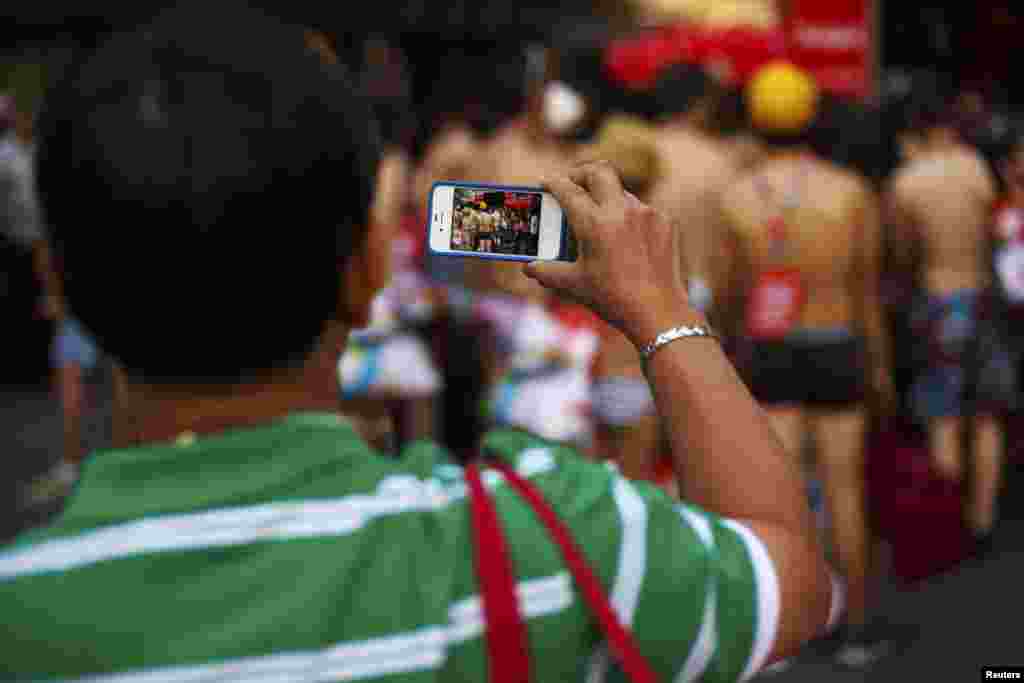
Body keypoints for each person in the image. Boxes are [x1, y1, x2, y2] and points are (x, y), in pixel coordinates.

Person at [0, 7, 835, 680]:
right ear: (368, 270)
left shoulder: (21, 615)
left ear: (55, 282)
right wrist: (661, 311)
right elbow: (789, 573)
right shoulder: (553, 539)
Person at [715, 61, 891, 668]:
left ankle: (782, 633)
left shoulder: (734, 197)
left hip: (770, 351)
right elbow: (869, 291)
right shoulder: (851, 192)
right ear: (813, 116)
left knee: (775, 499)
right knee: (846, 489)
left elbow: (733, 295)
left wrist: (733, 358)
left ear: (754, 120)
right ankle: (861, 630)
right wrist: (882, 368)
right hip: (838, 342)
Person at [885, 78, 1004, 545]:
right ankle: (983, 518)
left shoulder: (907, 183)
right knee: (987, 413)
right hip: (982, 297)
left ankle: (947, 522)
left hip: (935, 302)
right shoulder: (977, 168)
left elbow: (901, 254)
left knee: (943, 415)